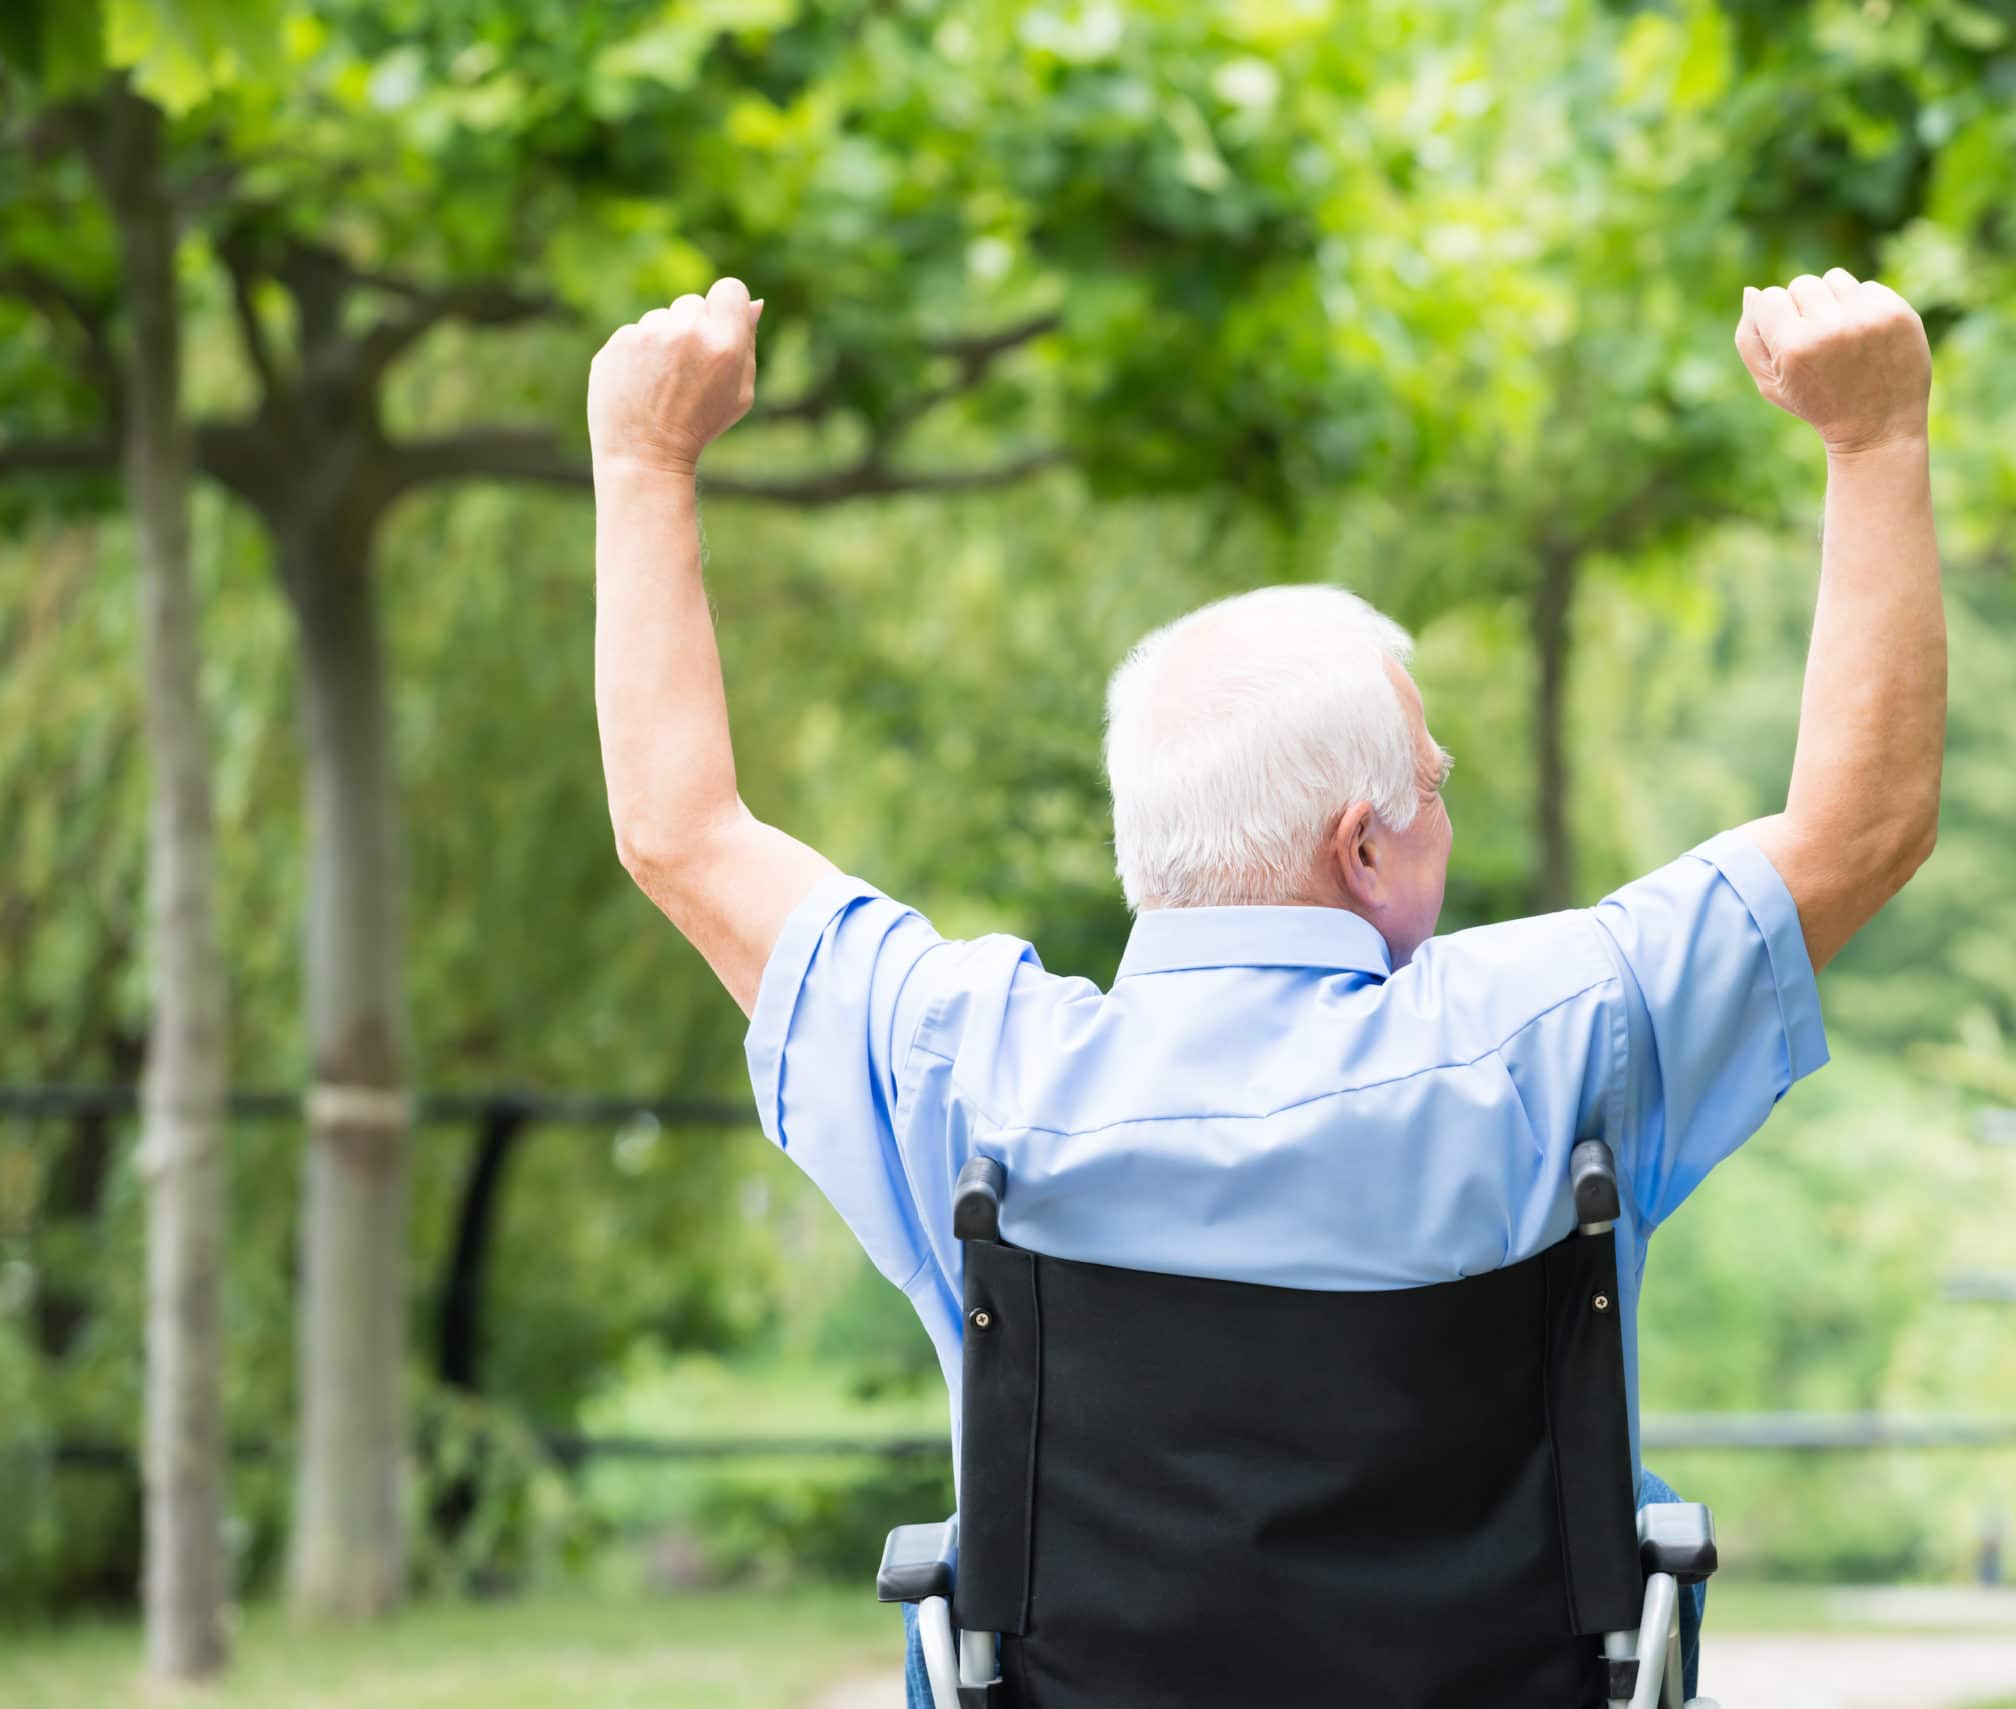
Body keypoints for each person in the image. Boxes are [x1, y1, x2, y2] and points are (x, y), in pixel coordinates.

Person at [589, 269, 1943, 1701]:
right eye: (1434, 788)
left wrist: (641, 459)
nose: (1445, 810)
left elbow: (683, 834)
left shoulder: (963, 1066)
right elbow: (1862, 829)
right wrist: (1877, 442)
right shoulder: (1562, 1037)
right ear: (1363, 847)